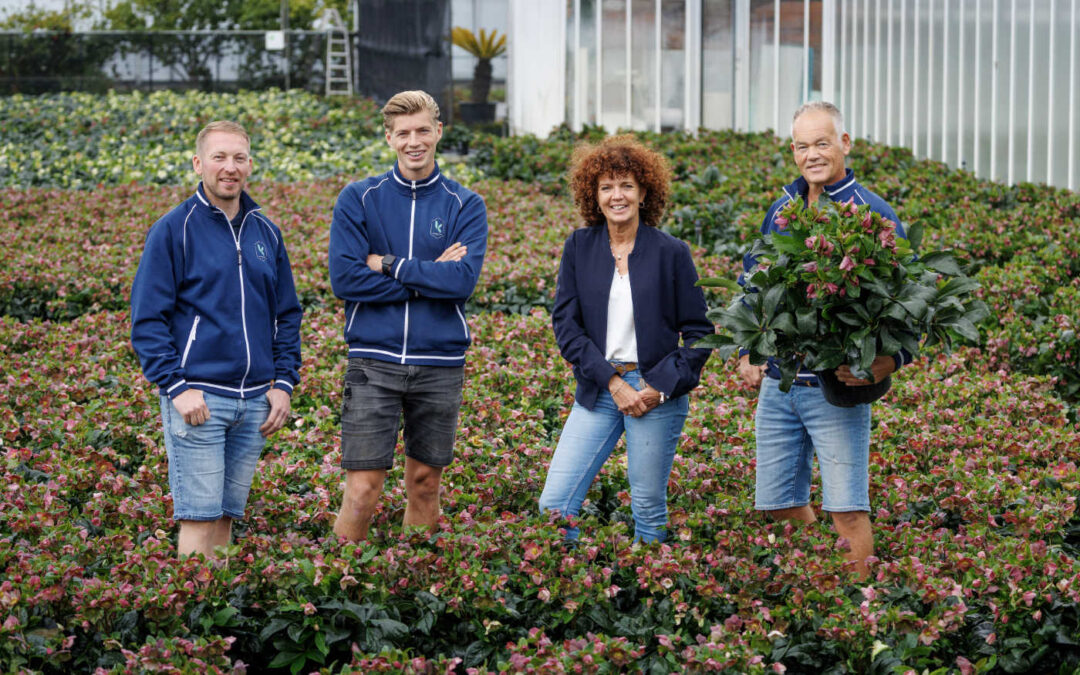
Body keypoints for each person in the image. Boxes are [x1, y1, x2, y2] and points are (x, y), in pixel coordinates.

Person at [738, 101, 909, 577]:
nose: (811, 154)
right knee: (776, 503)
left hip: (836, 388)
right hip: (781, 383)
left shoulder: (872, 212)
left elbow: (909, 301)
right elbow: (753, 283)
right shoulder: (783, 209)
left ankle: (860, 616)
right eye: (801, 145)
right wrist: (748, 348)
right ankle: (824, 581)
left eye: (822, 142)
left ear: (844, 144)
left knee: (847, 510)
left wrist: (890, 361)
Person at [130, 120, 303, 559]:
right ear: (198, 164)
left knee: (226, 516)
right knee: (199, 517)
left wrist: (283, 383)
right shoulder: (173, 229)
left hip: (255, 402)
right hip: (200, 400)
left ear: (250, 165)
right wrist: (176, 388)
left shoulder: (266, 231)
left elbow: (287, 314)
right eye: (219, 157)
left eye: (239, 158)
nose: (230, 167)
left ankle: (216, 614)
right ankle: (190, 619)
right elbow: (148, 320)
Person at [328, 90, 488, 542]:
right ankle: (338, 590)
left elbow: (460, 284)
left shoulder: (465, 205)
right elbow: (345, 279)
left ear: (438, 132)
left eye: (422, 131)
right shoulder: (359, 199)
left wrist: (390, 263)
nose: (413, 141)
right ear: (389, 139)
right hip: (372, 362)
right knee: (362, 489)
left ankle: (413, 581)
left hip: (439, 365)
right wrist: (431, 275)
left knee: (425, 485)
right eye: (403, 133)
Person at [538, 135, 713, 543]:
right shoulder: (579, 247)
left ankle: (645, 594)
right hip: (600, 388)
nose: (617, 196)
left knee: (648, 510)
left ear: (644, 192)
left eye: (627, 186)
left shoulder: (672, 252)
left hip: (656, 392)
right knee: (554, 506)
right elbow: (567, 326)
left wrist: (661, 389)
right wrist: (612, 382)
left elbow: (702, 334)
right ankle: (573, 587)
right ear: (593, 196)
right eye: (607, 187)